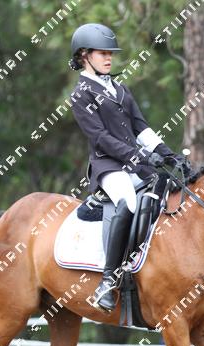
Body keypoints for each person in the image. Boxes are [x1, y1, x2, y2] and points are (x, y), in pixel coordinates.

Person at [69, 23, 190, 312]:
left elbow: (140, 127)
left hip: (135, 164)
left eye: (110, 53)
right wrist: (139, 158)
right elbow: (100, 137)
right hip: (108, 167)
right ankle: (107, 281)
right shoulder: (81, 94)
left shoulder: (120, 89)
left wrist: (168, 155)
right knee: (128, 201)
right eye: (102, 53)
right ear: (84, 55)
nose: (109, 58)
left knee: (166, 195)